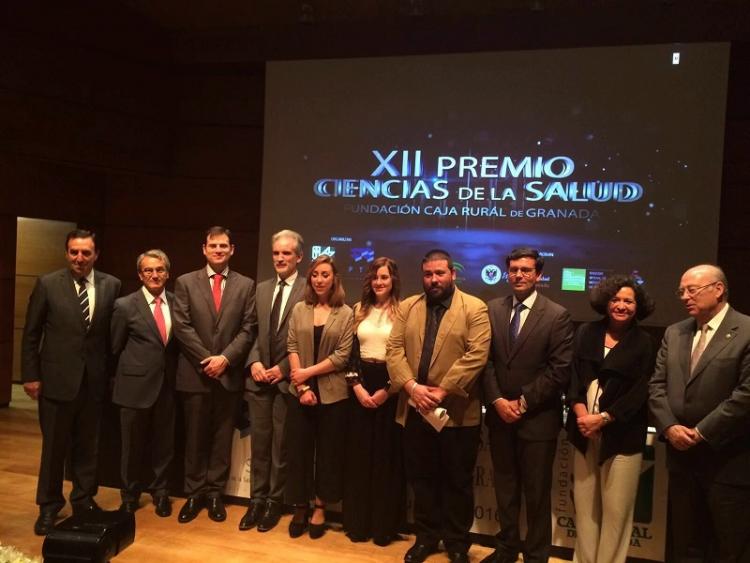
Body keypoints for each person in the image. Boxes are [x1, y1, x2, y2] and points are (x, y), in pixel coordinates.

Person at [386, 249, 491, 563]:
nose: (433, 280)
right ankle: (427, 537)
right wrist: (413, 388)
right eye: (428, 274)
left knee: (457, 481)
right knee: (422, 478)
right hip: (416, 408)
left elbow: (477, 355)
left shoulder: (474, 307)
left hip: (457, 413)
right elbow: (394, 350)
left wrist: (442, 391)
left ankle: (457, 543)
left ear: (453, 274)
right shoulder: (408, 307)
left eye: (440, 273)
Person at [21, 229, 121, 535]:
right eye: (74, 252)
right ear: (67, 254)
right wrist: (31, 375)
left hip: (93, 382)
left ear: (96, 255)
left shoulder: (111, 285)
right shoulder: (48, 284)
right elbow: (31, 333)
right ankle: (49, 506)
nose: (80, 258)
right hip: (55, 382)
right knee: (54, 448)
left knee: (88, 447)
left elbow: (110, 336)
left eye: (86, 253)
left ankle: (83, 500)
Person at [649, 264, 750, 562]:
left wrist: (702, 431)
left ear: (718, 290)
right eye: (681, 291)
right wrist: (669, 428)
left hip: (728, 459)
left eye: (692, 290)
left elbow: (746, 394)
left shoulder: (746, 330)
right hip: (681, 458)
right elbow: (656, 386)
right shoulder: (674, 332)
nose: (684, 297)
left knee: (728, 544)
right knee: (684, 543)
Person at [482, 247, 574, 563]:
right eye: (514, 270)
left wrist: (521, 403)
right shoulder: (492, 309)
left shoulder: (556, 315)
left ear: (538, 274)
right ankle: (506, 549)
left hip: (537, 420)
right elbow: (487, 363)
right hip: (499, 417)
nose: (519, 275)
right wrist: (496, 400)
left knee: (536, 495)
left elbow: (559, 370)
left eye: (526, 270)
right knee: (505, 491)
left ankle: (536, 556)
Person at [566, 275, 656, 563]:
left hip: (622, 434)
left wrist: (603, 419)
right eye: (615, 300)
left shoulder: (644, 342)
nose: (621, 305)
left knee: (617, 512)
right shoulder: (586, 333)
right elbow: (573, 379)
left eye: (628, 301)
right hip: (582, 433)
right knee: (585, 508)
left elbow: (641, 390)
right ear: (605, 303)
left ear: (637, 305)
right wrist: (582, 416)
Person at [172, 226, 257, 524]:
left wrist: (225, 359)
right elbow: (181, 326)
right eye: (213, 246)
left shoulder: (246, 285)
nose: (218, 250)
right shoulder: (184, 282)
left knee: (222, 439)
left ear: (232, 249)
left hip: (228, 375)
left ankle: (214, 494)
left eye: (224, 246)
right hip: (195, 374)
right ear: (204, 249)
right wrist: (208, 359)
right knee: (194, 438)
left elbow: (249, 329)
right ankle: (193, 494)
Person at [239, 229, 305, 532]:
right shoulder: (262, 288)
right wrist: (253, 361)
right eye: (276, 253)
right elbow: (250, 330)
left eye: (287, 253)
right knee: (260, 447)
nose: (280, 258)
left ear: (299, 257)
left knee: (281, 449)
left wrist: (282, 368)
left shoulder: (308, 290)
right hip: (258, 381)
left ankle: (274, 503)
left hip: (286, 382)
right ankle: (256, 500)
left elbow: (305, 340)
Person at [285, 254, 353, 540]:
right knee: (299, 453)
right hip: (299, 393)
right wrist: (301, 386)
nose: (319, 279)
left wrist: (307, 374)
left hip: (333, 395)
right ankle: (300, 506)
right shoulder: (300, 308)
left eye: (325, 274)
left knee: (328, 454)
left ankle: (321, 507)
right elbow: (291, 345)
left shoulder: (346, 312)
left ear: (334, 278)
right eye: (315, 274)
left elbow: (342, 357)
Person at [111, 249, 179, 518]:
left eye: (160, 269)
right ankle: (129, 496)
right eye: (148, 270)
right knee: (131, 447)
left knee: (164, 444)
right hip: (133, 387)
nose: (155, 275)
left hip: (167, 386)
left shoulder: (177, 302)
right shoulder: (125, 305)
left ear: (167, 273)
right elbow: (114, 347)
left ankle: (161, 493)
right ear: (140, 274)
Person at [343, 257, 404, 546]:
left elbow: (407, 357)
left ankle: (383, 528)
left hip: (389, 389)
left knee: (385, 460)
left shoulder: (404, 312)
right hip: (360, 386)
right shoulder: (358, 310)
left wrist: (388, 390)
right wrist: (356, 386)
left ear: (393, 280)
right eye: (375, 277)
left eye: (384, 277)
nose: (379, 282)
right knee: (359, 458)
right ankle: (358, 525)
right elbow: (350, 353)